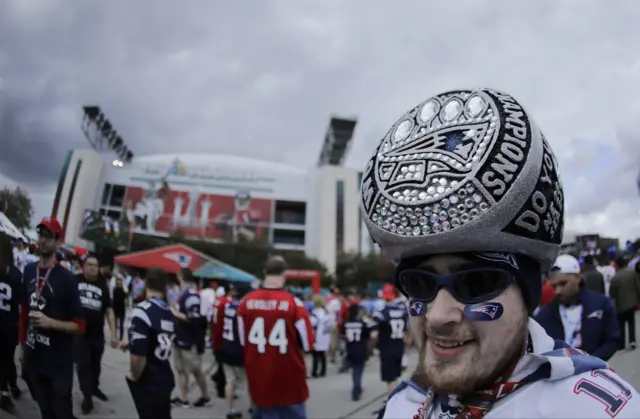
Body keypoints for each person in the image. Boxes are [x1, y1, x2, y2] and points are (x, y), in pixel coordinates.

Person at [358, 88, 640, 418]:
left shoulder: (598, 411)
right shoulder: (400, 406)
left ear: (530, 292)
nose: (437, 315)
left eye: (475, 284)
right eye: (419, 284)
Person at [19, 217, 86, 419]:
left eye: (48, 237)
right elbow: (24, 310)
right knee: (45, 410)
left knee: (62, 412)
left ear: (58, 241)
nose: (42, 240)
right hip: (34, 356)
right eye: (41, 235)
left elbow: (80, 326)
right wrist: (22, 344)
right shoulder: (29, 270)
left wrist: (51, 323)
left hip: (58, 362)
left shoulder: (67, 279)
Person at [237, 256, 314, 419]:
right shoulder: (295, 304)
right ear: (284, 273)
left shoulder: (245, 303)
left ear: (265, 272)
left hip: (259, 379)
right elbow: (308, 345)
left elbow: (242, 342)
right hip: (290, 381)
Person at [535, 254, 619, 360]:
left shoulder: (600, 304)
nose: (558, 291)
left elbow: (612, 339)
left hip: (594, 370)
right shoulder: (544, 315)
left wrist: (591, 361)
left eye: (563, 283)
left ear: (578, 277)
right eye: (554, 286)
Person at [119, 268, 175, 419]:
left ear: (146, 283)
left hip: (150, 380)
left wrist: (134, 376)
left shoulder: (142, 311)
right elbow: (158, 340)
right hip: (165, 376)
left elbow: (139, 357)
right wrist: (131, 343)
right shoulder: (169, 311)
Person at [75, 254, 118, 413]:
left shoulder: (102, 285)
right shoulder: (75, 280)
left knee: (95, 364)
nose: (93, 267)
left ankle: (94, 387)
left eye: (95, 265)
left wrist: (113, 334)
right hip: (79, 332)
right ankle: (87, 396)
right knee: (83, 364)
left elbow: (109, 311)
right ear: (84, 266)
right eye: (89, 264)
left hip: (97, 333)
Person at [171, 268, 210, 407]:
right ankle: (182, 398)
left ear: (181, 276)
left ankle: (205, 397)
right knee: (181, 370)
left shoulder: (191, 295)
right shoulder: (183, 294)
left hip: (190, 339)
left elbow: (192, 318)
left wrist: (174, 313)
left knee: (195, 370)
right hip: (180, 337)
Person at [219, 285, 251, 419]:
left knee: (230, 380)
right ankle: (253, 407)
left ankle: (230, 409)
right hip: (239, 349)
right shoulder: (243, 309)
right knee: (249, 381)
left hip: (226, 346)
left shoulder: (229, 307)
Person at [0, 233, 23, 413]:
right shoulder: (16, 274)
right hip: (9, 324)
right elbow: (20, 301)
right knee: (7, 360)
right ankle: (8, 391)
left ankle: (8, 391)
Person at [373, 284, 408, 394]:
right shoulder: (402, 310)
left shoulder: (381, 311)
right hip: (399, 346)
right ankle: (394, 397)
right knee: (395, 376)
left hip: (387, 348)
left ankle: (392, 401)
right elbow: (406, 331)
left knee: (390, 379)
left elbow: (373, 333)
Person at [342, 303, 377, 401]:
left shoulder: (346, 322)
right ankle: (356, 390)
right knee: (358, 371)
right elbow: (371, 334)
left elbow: (343, 336)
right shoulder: (362, 322)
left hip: (350, 349)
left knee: (354, 371)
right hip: (361, 349)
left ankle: (357, 386)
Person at [609, 256, 640, 350]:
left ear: (617, 265)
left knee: (621, 325)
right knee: (631, 322)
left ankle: (621, 345)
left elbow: (612, 293)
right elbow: (637, 286)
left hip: (620, 305)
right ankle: (632, 341)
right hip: (631, 302)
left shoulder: (615, 278)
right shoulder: (631, 273)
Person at [211, 285, 230, 398]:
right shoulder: (227, 303)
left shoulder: (217, 302)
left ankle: (217, 376)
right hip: (223, 337)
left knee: (220, 363)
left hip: (216, 336)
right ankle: (221, 389)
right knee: (223, 366)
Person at [309, 295, 331, 378]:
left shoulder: (314, 312)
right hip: (325, 335)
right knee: (322, 354)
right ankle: (323, 371)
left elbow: (312, 323)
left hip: (317, 335)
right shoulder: (326, 312)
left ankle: (314, 372)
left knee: (315, 355)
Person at [112, 274, 129, 341]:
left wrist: (124, 282)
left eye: (120, 282)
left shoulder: (123, 289)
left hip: (122, 309)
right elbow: (113, 299)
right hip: (115, 308)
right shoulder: (115, 289)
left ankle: (121, 338)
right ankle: (115, 336)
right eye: (117, 282)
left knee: (121, 325)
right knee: (115, 324)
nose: (118, 283)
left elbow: (126, 292)